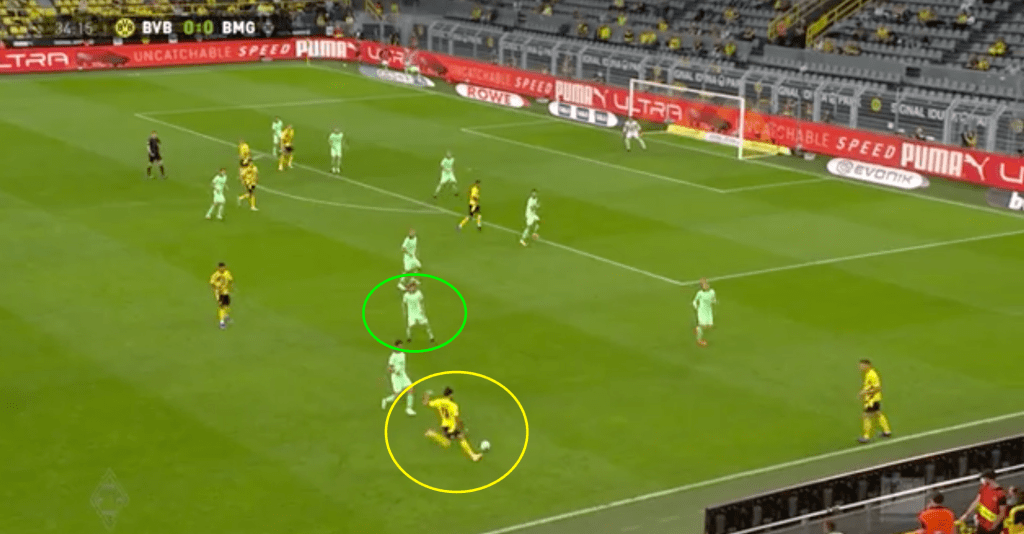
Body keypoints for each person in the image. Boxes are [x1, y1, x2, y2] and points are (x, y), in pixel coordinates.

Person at [423, 387, 483, 461]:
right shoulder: (453, 405)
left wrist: (426, 395)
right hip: (451, 426)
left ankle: (432, 434)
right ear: (450, 395)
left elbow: (425, 403)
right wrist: (460, 425)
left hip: (444, 425)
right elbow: (456, 418)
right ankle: (473, 456)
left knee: (447, 442)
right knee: (460, 437)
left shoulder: (439, 401)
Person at [858, 359, 892, 443]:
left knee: (866, 416)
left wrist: (865, 392)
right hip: (874, 399)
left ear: (868, 365)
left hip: (872, 400)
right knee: (878, 414)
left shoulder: (872, 374)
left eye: (862, 365)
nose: (860, 367)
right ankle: (887, 431)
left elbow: (877, 388)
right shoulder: (868, 374)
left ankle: (866, 437)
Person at [381, 340, 417, 416]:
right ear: (396, 346)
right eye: (399, 346)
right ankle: (385, 400)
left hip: (403, 375)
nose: (401, 347)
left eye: (401, 346)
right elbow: (389, 369)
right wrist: (394, 370)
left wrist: (400, 371)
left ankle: (409, 409)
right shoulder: (393, 357)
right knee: (397, 395)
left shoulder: (403, 354)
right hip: (396, 377)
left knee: (411, 389)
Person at [209, 262, 233, 329]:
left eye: (223, 267)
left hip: (226, 292)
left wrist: (230, 287)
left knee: (227, 306)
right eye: (221, 268)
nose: (222, 269)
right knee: (221, 307)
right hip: (219, 293)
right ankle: (221, 322)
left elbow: (230, 279)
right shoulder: (216, 275)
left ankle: (226, 316)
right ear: (218, 268)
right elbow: (212, 283)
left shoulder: (227, 273)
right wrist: (217, 287)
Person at [693, 278, 716, 346]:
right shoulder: (700, 293)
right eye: (704, 285)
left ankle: (697, 329)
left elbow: (713, 299)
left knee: (709, 326)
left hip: (708, 310)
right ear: (702, 286)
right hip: (701, 310)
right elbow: (694, 301)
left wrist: (714, 302)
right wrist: (696, 307)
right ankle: (699, 340)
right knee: (702, 326)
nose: (706, 286)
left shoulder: (712, 292)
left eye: (706, 284)